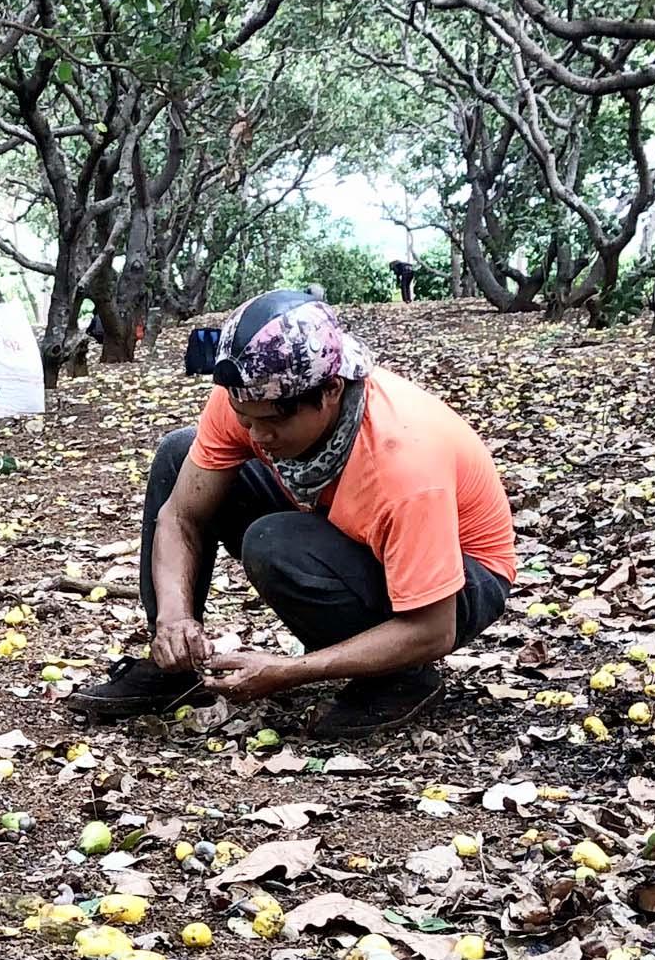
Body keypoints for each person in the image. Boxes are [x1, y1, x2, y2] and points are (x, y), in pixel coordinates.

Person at [67, 288, 516, 738]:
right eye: (246, 418)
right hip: (348, 529)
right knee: (179, 453)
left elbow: (433, 629)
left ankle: (400, 678)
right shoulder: (248, 396)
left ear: (331, 391)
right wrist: (174, 618)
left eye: (273, 422)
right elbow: (181, 516)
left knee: (276, 543)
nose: (257, 435)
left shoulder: (403, 462)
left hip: (459, 583)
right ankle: (173, 666)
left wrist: (292, 670)